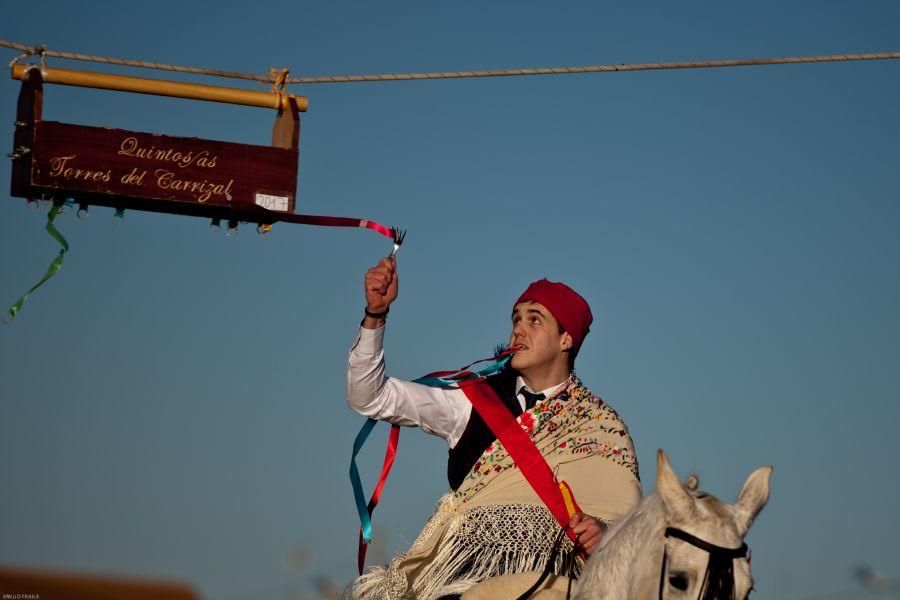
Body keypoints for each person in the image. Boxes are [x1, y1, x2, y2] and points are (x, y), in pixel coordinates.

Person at [347, 257, 642, 600]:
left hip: (563, 582)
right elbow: (370, 397)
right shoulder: (471, 400)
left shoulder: (602, 427)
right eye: (516, 318)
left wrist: (604, 532)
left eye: (535, 320)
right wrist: (376, 315)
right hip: (463, 580)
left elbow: (634, 526)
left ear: (566, 339)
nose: (519, 328)